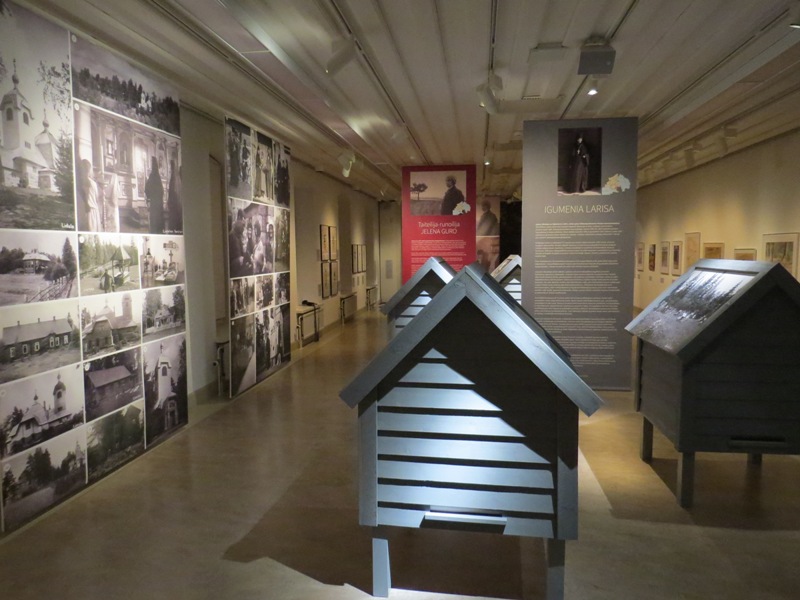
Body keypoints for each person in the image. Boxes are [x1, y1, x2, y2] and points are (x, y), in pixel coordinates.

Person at [78, 158, 101, 231]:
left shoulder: (80, 183)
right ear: (89, 170)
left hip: (84, 211)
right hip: (93, 211)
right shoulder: (93, 183)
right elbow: (97, 198)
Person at [145, 156, 164, 233]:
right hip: (159, 201)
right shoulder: (158, 176)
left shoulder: (152, 175)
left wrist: (148, 196)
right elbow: (162, 190)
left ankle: (154, 231)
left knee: (154, 218)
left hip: (154, 201)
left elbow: (147, 188)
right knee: (158, 217)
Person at [167, 161, 182, 233]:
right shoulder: (175, 177)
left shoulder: (174, 178)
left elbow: (173, 191)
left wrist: (170, 201)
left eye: (171, 166)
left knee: (174, 222)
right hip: (175, 203)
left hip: (174, 203)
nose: (171, 168)